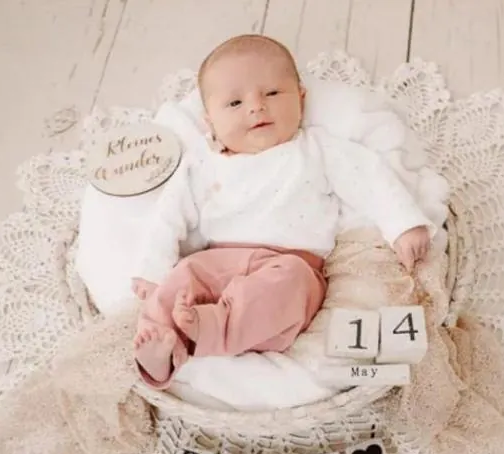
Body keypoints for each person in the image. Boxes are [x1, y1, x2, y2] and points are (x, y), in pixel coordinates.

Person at [131, 34, 436, 388]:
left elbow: (369, 176)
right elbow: (168, 216)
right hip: (219, 262)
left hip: (290, 264)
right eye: (234, 102)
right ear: (209, 121)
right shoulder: (202, 164)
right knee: (182, 276)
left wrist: (403, 223)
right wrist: (152, 268)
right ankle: (161, 348)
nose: (256, 107)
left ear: (300, 99)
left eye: (273, 93)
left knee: (286, 288)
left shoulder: (316, 150)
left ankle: (212, 327)